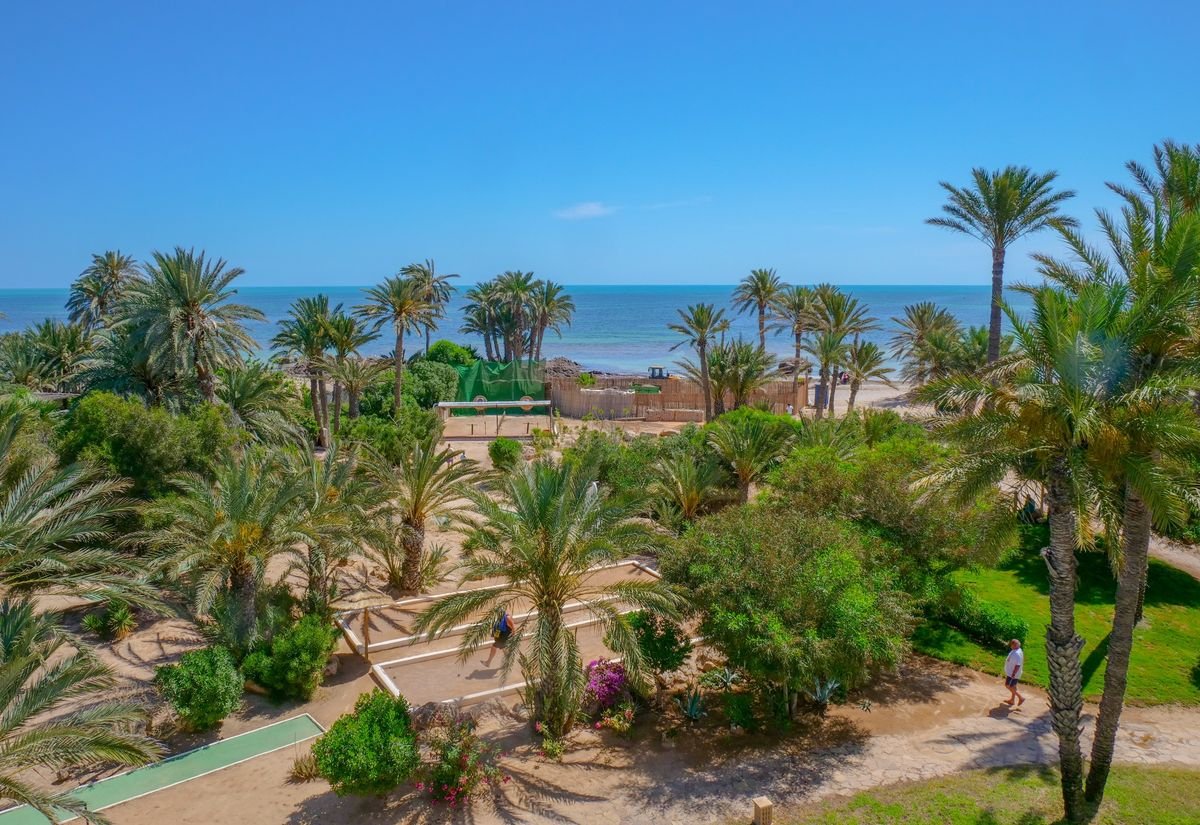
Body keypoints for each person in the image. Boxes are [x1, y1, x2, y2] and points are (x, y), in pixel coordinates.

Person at [1003, 638, 1025, 706]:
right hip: (1012, 673)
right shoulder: (1017, 650)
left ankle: (1021, 698)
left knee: (1008, 686)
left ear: (1014, 645)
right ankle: (1012, 700)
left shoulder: (1017, 653)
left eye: (1011, 645)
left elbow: (1018, 665)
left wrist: (1013, 673)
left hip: (1013, 674)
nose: (1010, 646)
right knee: (1013, 686)